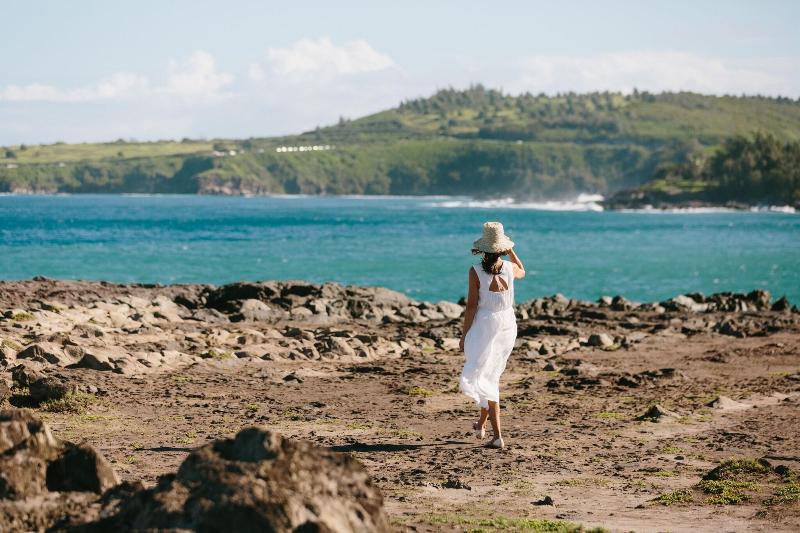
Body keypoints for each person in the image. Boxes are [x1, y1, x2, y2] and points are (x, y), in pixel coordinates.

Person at [459, 221, 525, 449]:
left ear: (484, 248)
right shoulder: (509, 267)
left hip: (486, 325)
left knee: (487, 377)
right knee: (489, 374)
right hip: (507, 324)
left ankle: (497, 437)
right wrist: (511, 252)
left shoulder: (475, 271)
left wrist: (464, 335)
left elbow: (471, 307)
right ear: (502, 248)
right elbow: (522, 270)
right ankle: (481, 424)